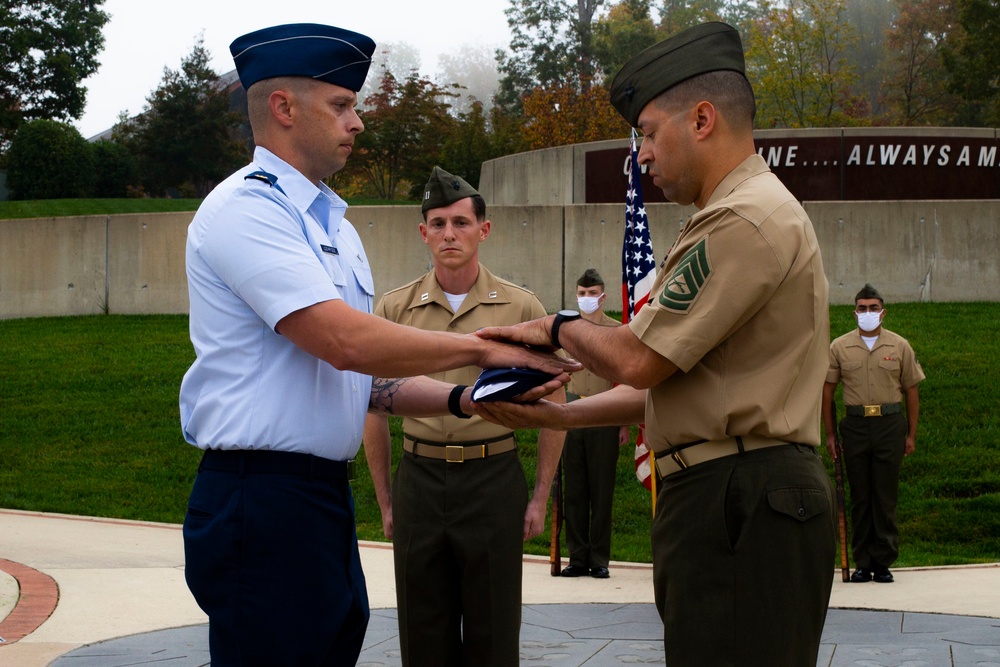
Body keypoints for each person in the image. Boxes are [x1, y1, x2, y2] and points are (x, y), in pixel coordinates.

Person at [178, 24, 576, 666]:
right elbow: (341, 341)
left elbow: (365, 384)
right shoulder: (246, 211)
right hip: (261, 499)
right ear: (283, 108)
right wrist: (480, 349)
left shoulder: (332, 226)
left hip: (316, 500)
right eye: (341, 105)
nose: (357, 122)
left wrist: (470, 400)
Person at [473, 21, 836, 666]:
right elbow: (668, 386)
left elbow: (638, 359)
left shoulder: (744, 218)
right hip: (733, 493)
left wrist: (557, 327)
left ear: (701, 119)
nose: (640, 155)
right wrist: (559, 414)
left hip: (740, 497)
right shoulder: (737, 213)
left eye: (646, 131)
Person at [362, 166, 567, 667]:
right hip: (421, 479)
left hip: (492, 477)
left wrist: (539, 496)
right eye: (437, 223)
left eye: (460, 222)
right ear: (423, 232)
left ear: (484, 229)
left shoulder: (521, 307)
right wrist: (387, 498)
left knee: (493, 633)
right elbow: (373, 404)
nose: (449, 234)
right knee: (421, 630)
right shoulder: (394, 309)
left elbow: (554, 405)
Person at [823, 283, 924, 584]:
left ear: (883, 311)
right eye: (863, 308)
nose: (868, 312)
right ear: (854, 312)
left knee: (885, 494)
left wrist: (911, 435)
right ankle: (862, 562)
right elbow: (827, 393)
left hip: (889, 425)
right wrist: (830, 435)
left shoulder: (899, 345)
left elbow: (912, 391)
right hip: (854, 427)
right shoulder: (839, 347)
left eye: (874, 307)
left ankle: (883, 561)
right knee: (860, 495)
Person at [559, 268, 630, 579]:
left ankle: (599, 557)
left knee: (602, 491)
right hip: (571, 412)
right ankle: (576, 557)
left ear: (604, 296)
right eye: (582, 293)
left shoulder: (617, 331)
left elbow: (625, 378)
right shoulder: (566, 330)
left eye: (592, 293)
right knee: (574, 491)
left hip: (605, 413)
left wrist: (624, 422)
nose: (586, 298)